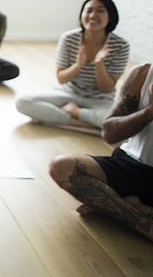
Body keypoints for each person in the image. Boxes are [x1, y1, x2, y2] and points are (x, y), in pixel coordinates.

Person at [49, 62, 153, 242]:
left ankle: (117, 207)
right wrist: (149, 111)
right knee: (61, 167)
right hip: (130, 163)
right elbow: (109, 133)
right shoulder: (142, 74)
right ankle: (143, 221)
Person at [16, 0, 130, 132]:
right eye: (88, 10)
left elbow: (107, 88)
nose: (93, 15)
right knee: (22, 102)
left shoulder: (120, 45)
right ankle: (84, 125)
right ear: (82, 15)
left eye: (100, 11)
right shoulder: (69, 38)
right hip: (68, 94)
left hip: (99, 101)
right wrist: (78, 65)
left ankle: (72, 114)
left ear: (110, 16)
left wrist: (99, 65)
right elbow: (61, 78)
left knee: (120, 120)